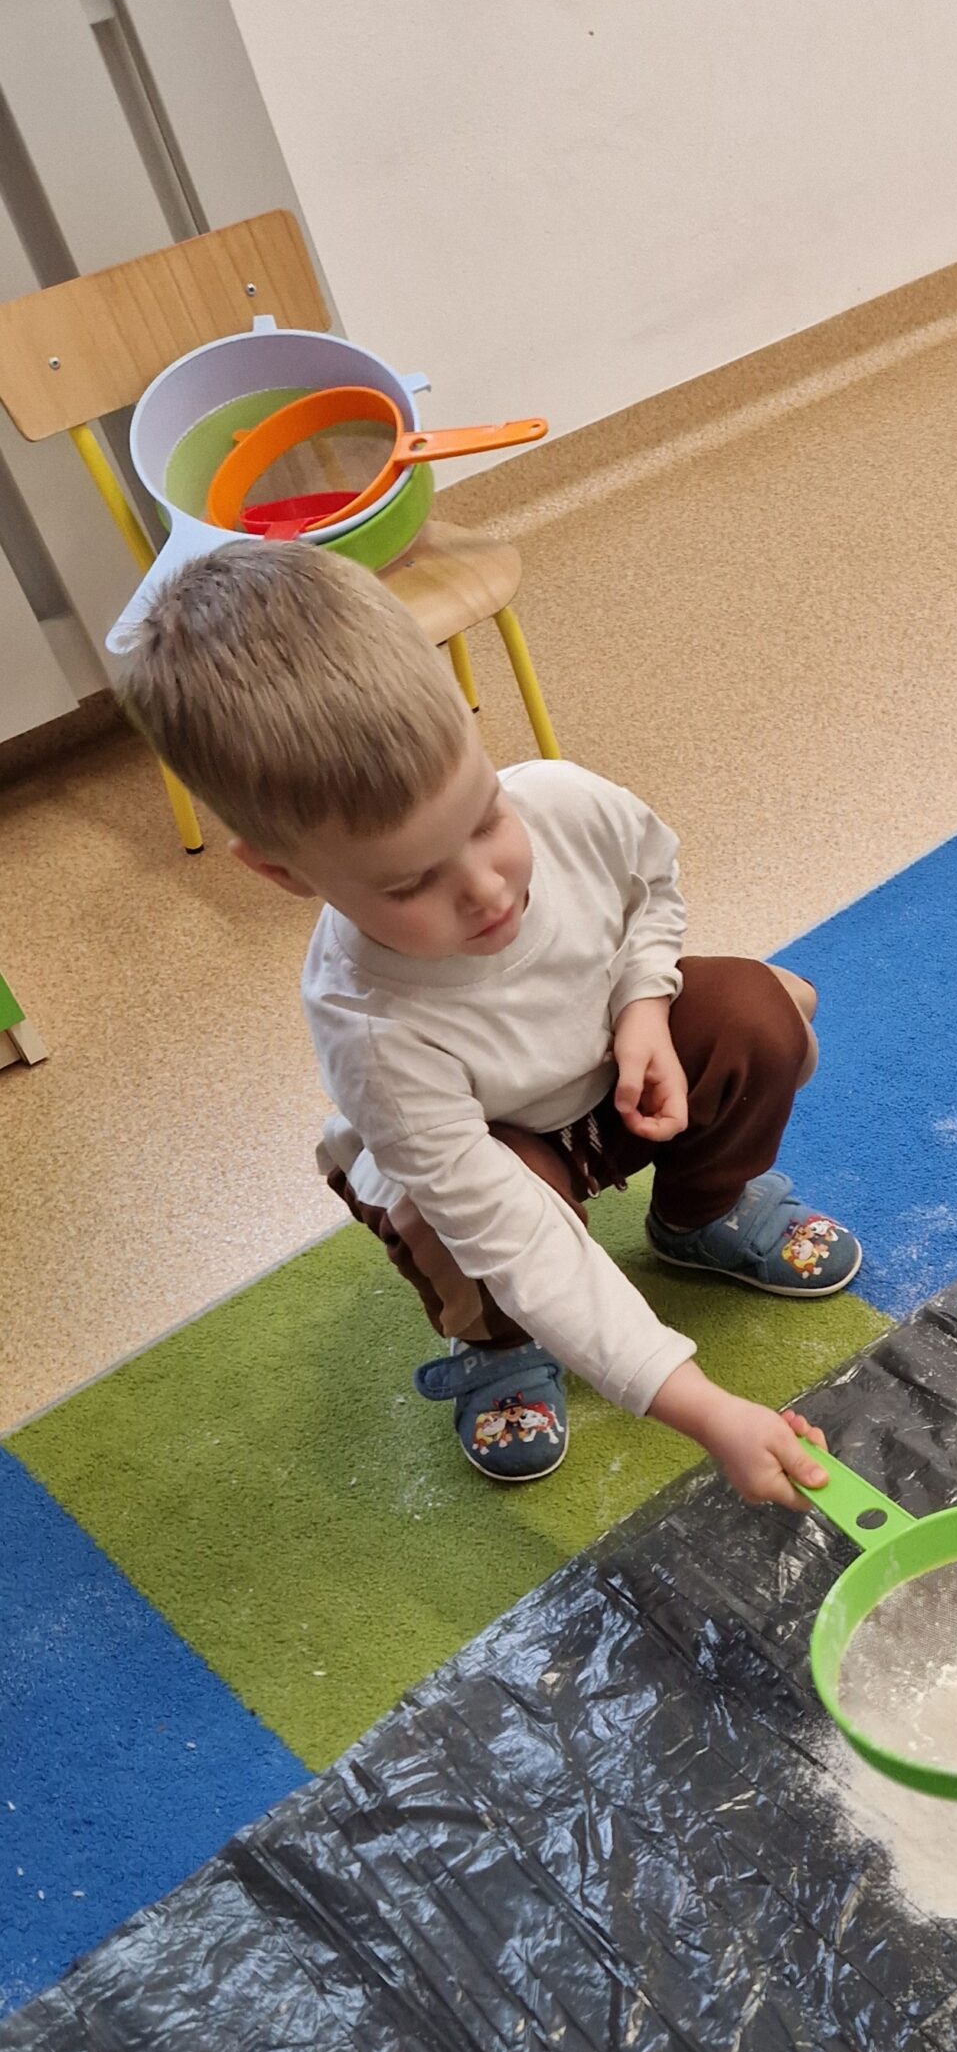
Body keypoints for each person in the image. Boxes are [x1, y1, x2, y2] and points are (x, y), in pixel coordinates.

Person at [117, 541, 856, 1507]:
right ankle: (498, 1346)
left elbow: (650, 885)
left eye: (484, 818)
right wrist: (706, 1409)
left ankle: (700, 1213)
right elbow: (515, 1235)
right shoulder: (370, 1027)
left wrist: (643, 999)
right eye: (410, 884)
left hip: (610, 1082)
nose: (487, 889)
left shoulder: (564, 800)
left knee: (764, 1009)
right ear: (282, 873)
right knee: (447, 1226)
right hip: (488, 1160)